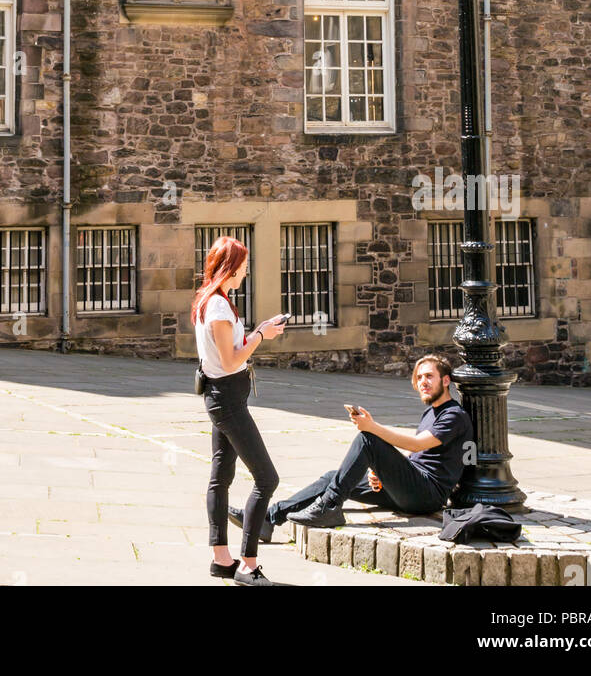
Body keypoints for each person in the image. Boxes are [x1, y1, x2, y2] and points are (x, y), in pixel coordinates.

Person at [238, 353, 472, 538]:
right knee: (335, 476)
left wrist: (372, 427)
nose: (423, 382)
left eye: (429, 376)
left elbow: (417, 443)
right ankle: (267, 518)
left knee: (367, 439)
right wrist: (382, 474)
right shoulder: (431, 412)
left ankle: (329, 507)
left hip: (426, 495)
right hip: (411, 487)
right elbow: (417, 456)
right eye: (419, 377)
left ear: (446, 380)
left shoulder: (454, 415)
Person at [194, 235, 286, 586]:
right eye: (243, 268)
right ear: (229, 268)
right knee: (267, 478)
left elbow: (227, 354)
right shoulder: (216, 306)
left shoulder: (213, 300)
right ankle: (248, 564)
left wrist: (259, 332)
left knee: (222, 476)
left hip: (225, 396)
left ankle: (221, 559)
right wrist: (261, 335)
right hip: (227, 401)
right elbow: (232, 359)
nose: (245, 273)